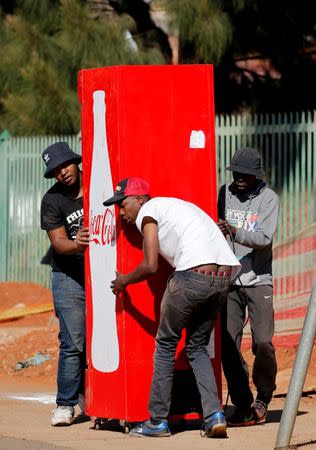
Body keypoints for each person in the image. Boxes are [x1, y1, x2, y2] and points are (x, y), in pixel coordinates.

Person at [104, 177, 241, 438]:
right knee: (197, 347)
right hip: (223, 280)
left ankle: (156, 421)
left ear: (140, 200)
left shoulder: (149, 213)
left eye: (123, 205)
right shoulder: (177, 206)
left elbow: (150, 265)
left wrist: (123, 281)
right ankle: (214, 416)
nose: (121, 213)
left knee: (166, 344)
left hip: (192, 277)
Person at [217, 147, 279, 426]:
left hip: (258, 280)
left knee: (263, 342)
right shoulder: (222, 194)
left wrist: (233, 229)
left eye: (246, 175)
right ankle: (242, 402)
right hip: (228, 282)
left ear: (257, 174)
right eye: (237, 173)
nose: (240, 179)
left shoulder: (269, 199)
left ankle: (263, 395)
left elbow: (264, 237)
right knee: (227, 343)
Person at [40, 142, 90, 426]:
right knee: (73, 340)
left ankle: (94, 392)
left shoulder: (98, 186)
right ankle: (65, 404)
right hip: (68, 275)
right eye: (55, 170)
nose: (62, 173)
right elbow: (59, 244)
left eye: (65, 165)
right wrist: (77, 244)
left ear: (75, 162)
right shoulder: (52, 200)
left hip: (103, 274)